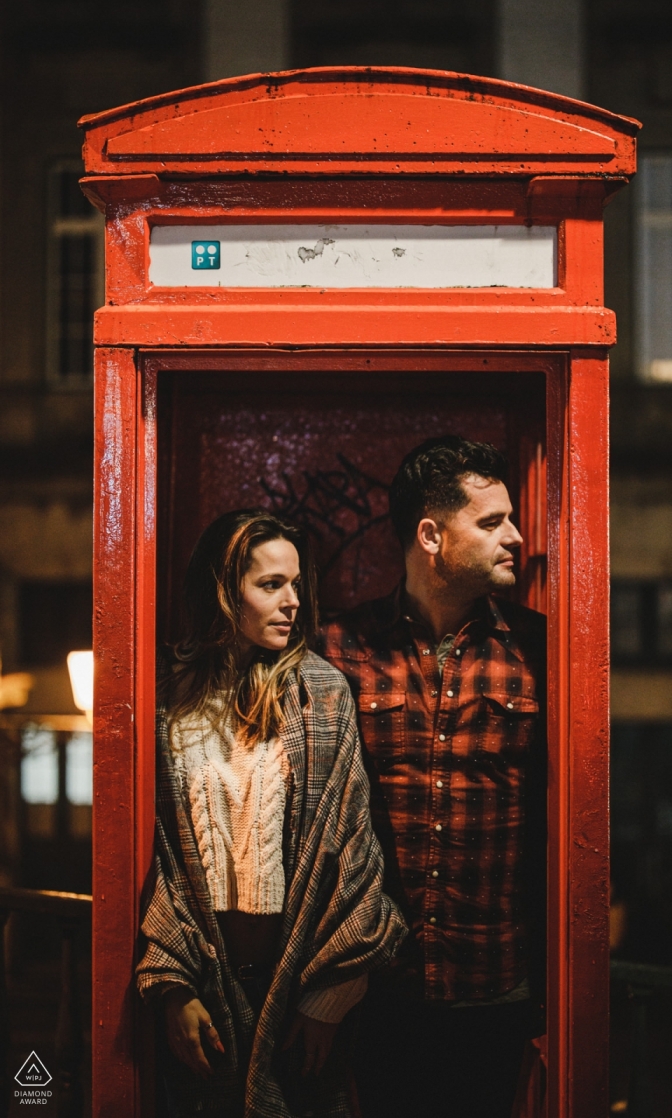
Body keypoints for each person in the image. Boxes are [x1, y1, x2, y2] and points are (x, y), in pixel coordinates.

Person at [136, 509, 406, 1118]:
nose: (293, 603)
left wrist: (329, 999)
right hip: (205, 981)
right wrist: (174, 988)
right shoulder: (166, 694)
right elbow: (158, 858)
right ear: (224, 594)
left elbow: (354, 849)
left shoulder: (321, 693)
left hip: (300, 986)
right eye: (270, 585)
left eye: (296, 585)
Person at [319, 437, 547, 1118]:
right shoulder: (340, 649)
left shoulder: (539, 648)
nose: (517, 536)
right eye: (491, 522)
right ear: (431, 535)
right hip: (374, 988)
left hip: (496, 987)